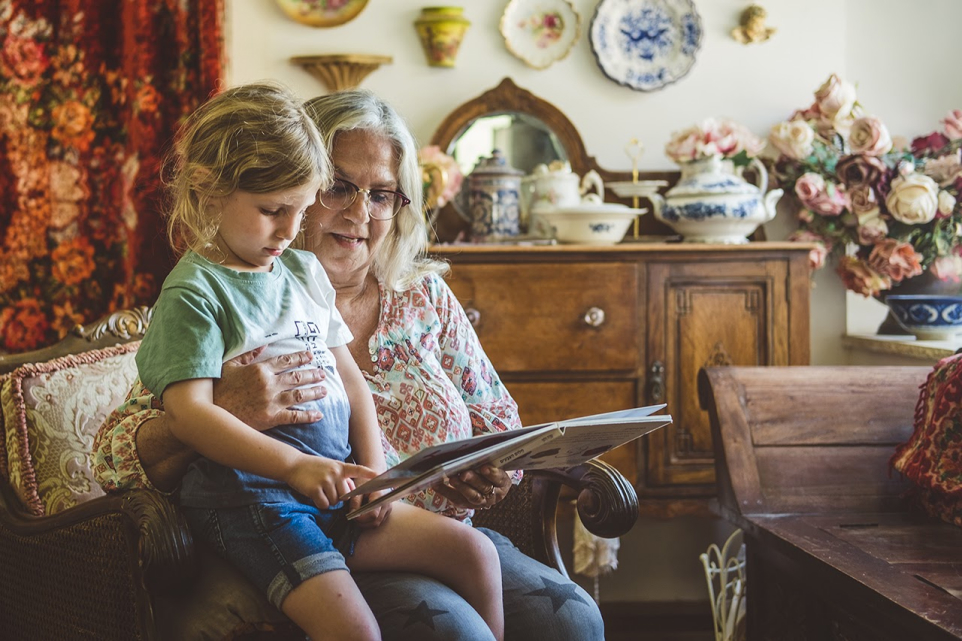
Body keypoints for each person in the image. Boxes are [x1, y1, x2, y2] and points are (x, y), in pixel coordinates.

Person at [95, 87, 605, 641]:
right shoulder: (220, 296)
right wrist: (229, 407)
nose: (361, 213)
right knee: (452, 631)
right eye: (339, 187)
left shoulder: (423, 298)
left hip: (410, 524)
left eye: (383, 195)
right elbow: (114, 457)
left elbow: (498, 423)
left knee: (573, 619)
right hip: (302, 525)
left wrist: (492, 472)